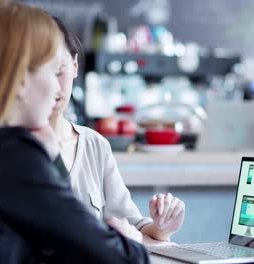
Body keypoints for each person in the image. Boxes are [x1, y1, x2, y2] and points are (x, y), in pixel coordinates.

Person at [0, 2, 148, 263]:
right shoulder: (11, 153)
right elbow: (122, 258)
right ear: (20, 79)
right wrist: (131, 241)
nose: (57, 89)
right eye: (54, 71)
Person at [50, 16, 186, 243]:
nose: (53, 85)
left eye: (59, 70)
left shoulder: (95, 145)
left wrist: (163, 227)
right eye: (38, 70)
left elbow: (131, 225)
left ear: (75, 66)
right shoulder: (12, 148)